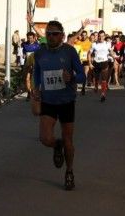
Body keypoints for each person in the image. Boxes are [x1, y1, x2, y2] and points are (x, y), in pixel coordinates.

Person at [31, 20, 85, 191]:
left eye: (55, 33)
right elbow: (37, 74)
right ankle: (56, 145)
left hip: (67, 101)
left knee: (69, 140)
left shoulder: (69, 52)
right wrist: (35, 89)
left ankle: (69, 172)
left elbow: (82, 76)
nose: (51, 37)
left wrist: (72, 78)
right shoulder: (39, 53)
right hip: (48, 101)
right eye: (48, 34)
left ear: (62, 35)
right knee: (45, 138)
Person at [88, 30, 113, 102]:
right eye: (99, 36)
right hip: (96, 63)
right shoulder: (94, 44)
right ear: (97, 36)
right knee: (96, 78)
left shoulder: (108, 44)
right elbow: (89, 53)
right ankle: (96, 85)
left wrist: (113, 55)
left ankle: (103, 94)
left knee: (104, 79)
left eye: (102, 36)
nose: (101, 38)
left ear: (104, 37)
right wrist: (90, 63)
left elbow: (110, 51)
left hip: (104, 62)